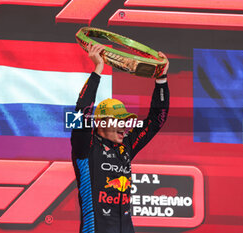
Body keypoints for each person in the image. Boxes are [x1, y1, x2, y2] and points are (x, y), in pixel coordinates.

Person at [71, 43, 170, 233]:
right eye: (118, 121)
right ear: (100, 123)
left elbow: (157, 120)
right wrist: (97, 69)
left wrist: (161, 79)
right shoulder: (86, 148)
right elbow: (81, 113)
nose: (124, 127)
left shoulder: (126, 146)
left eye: (125, 121)